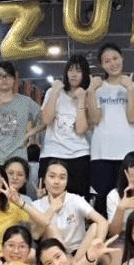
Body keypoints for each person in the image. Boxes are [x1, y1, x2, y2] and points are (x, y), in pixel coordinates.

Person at [88, 43, 134, 216]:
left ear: (122, 58)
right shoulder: (98, 88)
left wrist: (129, 89)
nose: (112, 63)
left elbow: (133, 118)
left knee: (130, 196)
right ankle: (103, 231)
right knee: (102, 200)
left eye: (115, 58)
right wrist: (90, 91)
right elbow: (94, 119)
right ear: (102, 65)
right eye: (107, 61)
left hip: (128, 152)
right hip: (101, 152)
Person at [39, 54, 91, 198]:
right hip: (52, 153)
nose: (74, 74)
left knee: (77, 202)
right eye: (71, 70)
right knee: (48, 200)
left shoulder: (87, 95)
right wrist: (55, 92)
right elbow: (46, 119)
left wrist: (81, 99)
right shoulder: (53, 92)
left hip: (78, 155)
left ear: (85, 74)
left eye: (78, 71)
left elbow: (80, 129)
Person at [32, 160, 108, 256]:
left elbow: (102, 221)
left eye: (62, 177)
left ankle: (74, 262)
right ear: (44, 179)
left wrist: (99, 242)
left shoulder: (75, 200)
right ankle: (70, 260)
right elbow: (35, 235)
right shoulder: (36, 205)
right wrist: (52, 209)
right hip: (53, 255)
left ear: (67, 181)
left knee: (95, 227)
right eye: (52, 176)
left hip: (79, 252)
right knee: (49, 225)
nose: (56, 181)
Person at [0, 61, 42, 165]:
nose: (4, 79)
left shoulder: (26, 102)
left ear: (14, 79)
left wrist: (30, 133)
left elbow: (45, 120)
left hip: (17, 162)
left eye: (8, 76)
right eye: (0, 76)